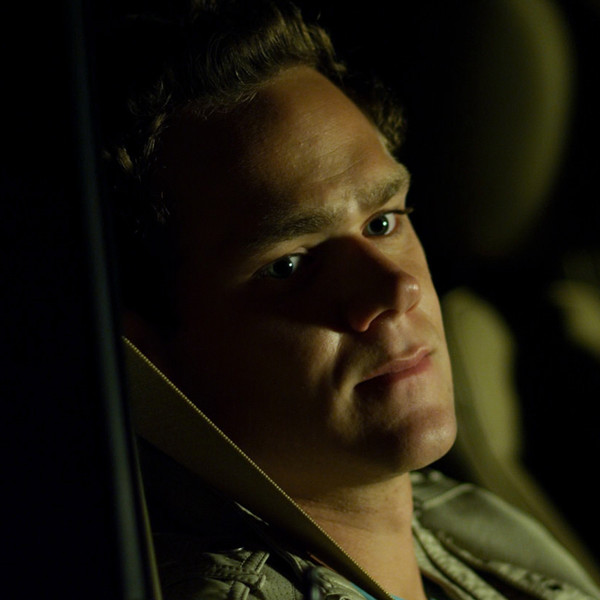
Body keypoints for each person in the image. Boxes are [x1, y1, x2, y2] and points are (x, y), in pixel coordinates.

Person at [97, 1, 600, 599]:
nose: (397, 289)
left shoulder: (464, 523)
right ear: (149, 354)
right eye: (289, 265)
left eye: (383, 222)